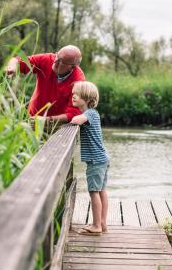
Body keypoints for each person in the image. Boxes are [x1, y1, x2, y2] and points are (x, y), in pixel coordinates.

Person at [5, 45, 85, 123]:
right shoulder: (48, 59)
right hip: (32, 119)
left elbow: (74, 113)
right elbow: (18, 60)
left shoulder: (78, 80)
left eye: (61, 61)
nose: (55, 61)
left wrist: (46, 120)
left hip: (57, 126)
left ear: (72, 67)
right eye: (57, 56)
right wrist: (12, 67)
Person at [70, 81, 110, 235]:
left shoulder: (90, 113)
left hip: (95, 160)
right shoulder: (92, 114)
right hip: (102, 158)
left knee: (94, 192)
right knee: (101, 191)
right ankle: (102, 223)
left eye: (77, 94)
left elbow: (76, 120)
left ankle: (96, 226)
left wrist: (74, 119)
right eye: (73, 93)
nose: (73, 95)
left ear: (86, 98)